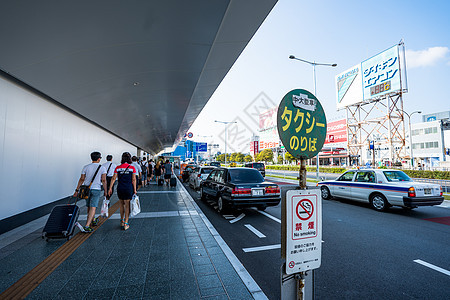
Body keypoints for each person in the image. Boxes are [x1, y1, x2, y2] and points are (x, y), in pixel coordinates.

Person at [73, 151, 107, 233]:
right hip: (96, 189)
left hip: (86, 190)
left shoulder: (86, 167)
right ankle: (87, 226)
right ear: (99, 159)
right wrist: (106, 190)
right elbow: (103, 180)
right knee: (93, 207)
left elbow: (82, 179)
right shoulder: (102, 168)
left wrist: (77, 190)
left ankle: (92, 220)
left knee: (89, 206)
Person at [108, 152, 137, 231]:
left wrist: (110, 188)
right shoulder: (132, 168)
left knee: (121, 204)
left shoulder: (118, 167)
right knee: (127, 205)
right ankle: (126, 223)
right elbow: (133, 179)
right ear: (129, 159)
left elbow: (113, 178)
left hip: (120, 188)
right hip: (128, 188)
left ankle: (121, 220)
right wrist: (135, 189)